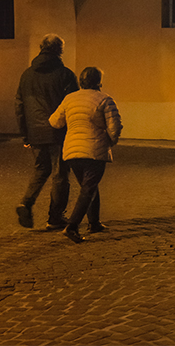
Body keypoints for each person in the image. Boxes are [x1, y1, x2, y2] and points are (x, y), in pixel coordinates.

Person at [51, 65, 122, 243]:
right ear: (99, 81)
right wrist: (110, 141)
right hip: (94, 149)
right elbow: (114, 127)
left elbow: (55, 121)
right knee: (88, 188)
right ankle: (72, 226)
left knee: (89, 185)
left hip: (72, 151)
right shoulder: (105, 99)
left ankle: (94, 222)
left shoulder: (69, 98)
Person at [14, 34, 78, 230]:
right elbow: (73, 104)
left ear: (41, 48)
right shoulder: (65, 75)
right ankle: (55, 217)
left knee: (41, 169)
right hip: (58, 132)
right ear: (59, 50)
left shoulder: (27, 75)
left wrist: (25, 133)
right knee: (60, 174)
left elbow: (19, 105)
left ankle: (26, 202)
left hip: (35, 132)